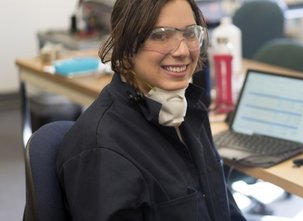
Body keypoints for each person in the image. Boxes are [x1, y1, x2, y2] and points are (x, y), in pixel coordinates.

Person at [55, 0, 246, 220]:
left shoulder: (189, 111)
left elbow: (223, 207)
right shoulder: (102, 148)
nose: (183, 50)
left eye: (190, 33)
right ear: (126, 47)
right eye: (161, 35)